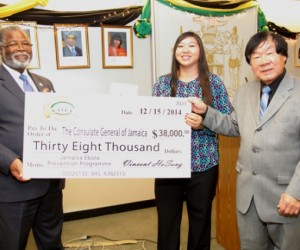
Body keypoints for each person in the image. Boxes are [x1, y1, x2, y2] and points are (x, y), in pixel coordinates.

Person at [188, 31, 300, 250]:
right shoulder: (244, 91)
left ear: (284, 56)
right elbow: (234, 126)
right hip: (248, 196)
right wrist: (205, 113)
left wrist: (296, 192)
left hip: (286, 197)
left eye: (269, 53)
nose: (263, 61)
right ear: (250, 63)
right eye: (255, 56)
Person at [152, 31, 232, 250]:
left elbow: (229, 120)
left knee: (201, 222)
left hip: (204, 164)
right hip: (167, 164)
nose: (185, 50)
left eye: (191, 46)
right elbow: (151, 121)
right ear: (174, 51)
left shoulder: (213, 82)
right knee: (167, 223)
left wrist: (204, 121)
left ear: (200, 51)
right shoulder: (162, 84)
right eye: (180, 46)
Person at [0, 26, 64, 250]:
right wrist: (10, 161)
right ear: (1, 49)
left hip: (50, 184)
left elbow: (59, 123)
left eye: (25, 43)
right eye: (13, 44)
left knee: (52, 242)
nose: (21, 48)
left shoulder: (44, 83)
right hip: (14, 185)